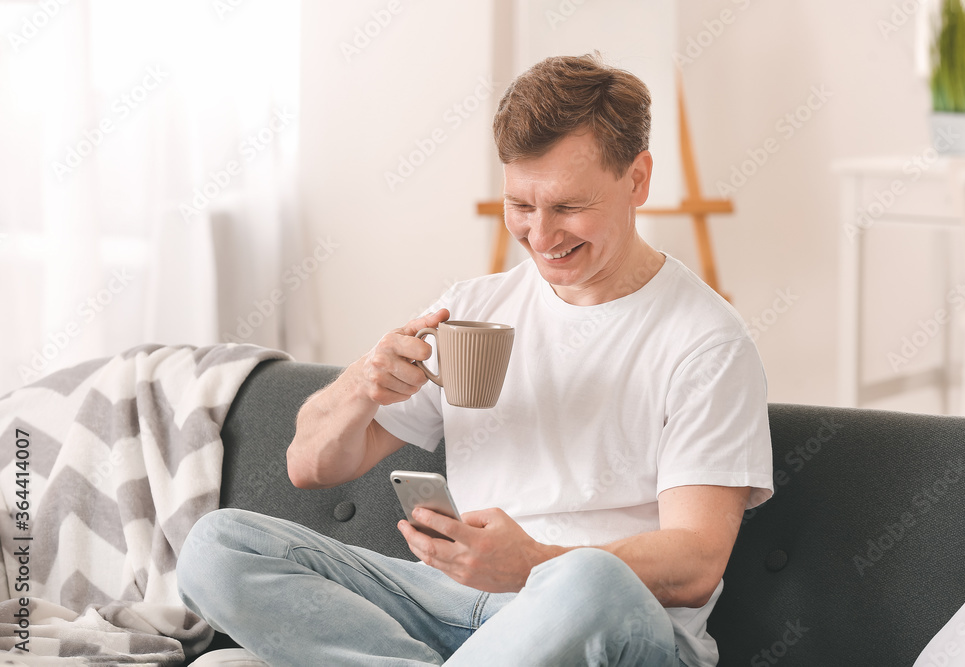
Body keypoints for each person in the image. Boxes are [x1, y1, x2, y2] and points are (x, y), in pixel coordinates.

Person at [177, 53, 773, 667]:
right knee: (218, 545)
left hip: (602, 620)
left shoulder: (705, 341)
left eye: (568, 207)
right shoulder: (473, 310)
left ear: (638, 179)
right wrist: (363, 383)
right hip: (451, 607)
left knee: (591, 579)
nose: (541, 237)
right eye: (521, 205)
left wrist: (533, 563)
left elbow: (698, 561)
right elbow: (309, 466)